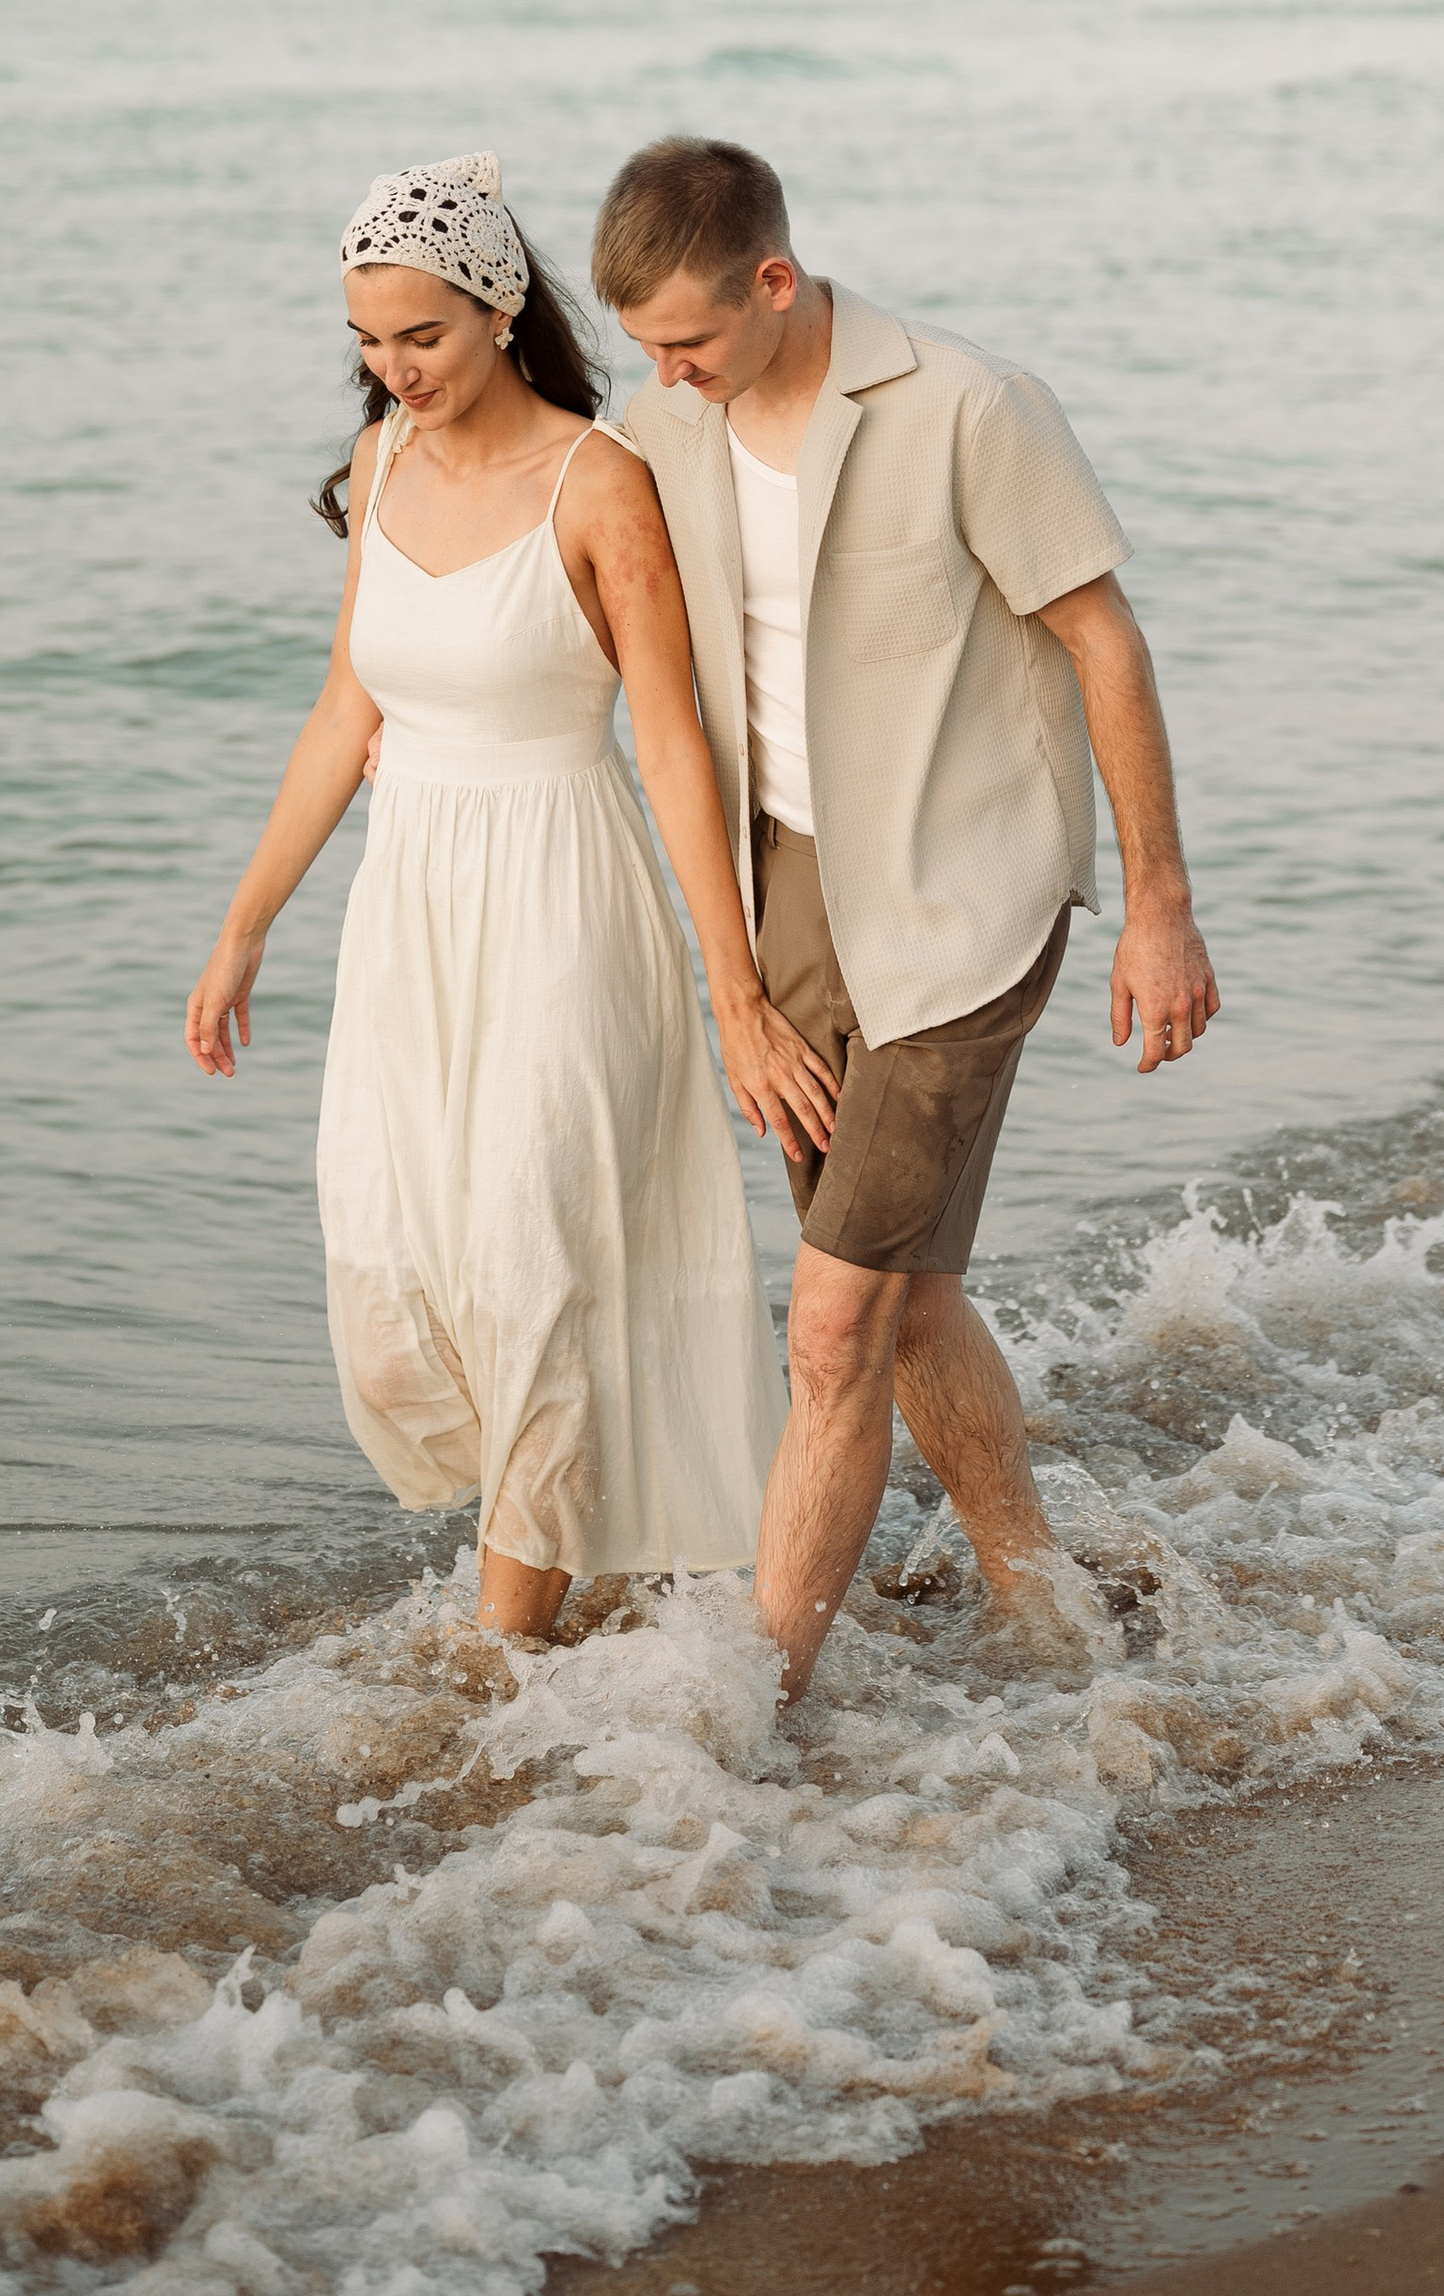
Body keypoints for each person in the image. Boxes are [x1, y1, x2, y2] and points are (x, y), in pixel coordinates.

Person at [593, 136, 1220, 1701]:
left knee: (828, 1328)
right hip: (791, 890)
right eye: (643, 349)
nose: (665, 374)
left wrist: (1161, 908)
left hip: (966, 896)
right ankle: (1043, 1595)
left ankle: (753, 1713)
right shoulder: (659, 423)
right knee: (909, 1294)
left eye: (688, 340)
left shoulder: (963, 406)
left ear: (777, 282)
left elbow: (1105, 645)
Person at [185, 152, 792, 1641]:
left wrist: (737, 993)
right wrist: (245, 925)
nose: (397, 374)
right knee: (393, 1267)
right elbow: (345, 711)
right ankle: (586, 1543)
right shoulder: (385, 462)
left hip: (563, 908)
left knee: (533, 1267)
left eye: (424, 339)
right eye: (370, 346)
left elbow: (669, 746)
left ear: (499, 308)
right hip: (412, 922)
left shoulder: (600, 481)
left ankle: (499, 1659)